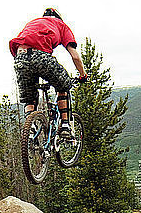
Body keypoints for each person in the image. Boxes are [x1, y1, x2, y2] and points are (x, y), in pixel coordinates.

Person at [9, 8, 87, 136]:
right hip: (41, 57)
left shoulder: (33, 22)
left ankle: (30, 127)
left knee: (29, 97)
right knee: (64, 85)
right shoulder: (61, 25)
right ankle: (65, 126)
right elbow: (75, 56)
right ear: (58, 18)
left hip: (20, 57)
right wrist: (83, 75)